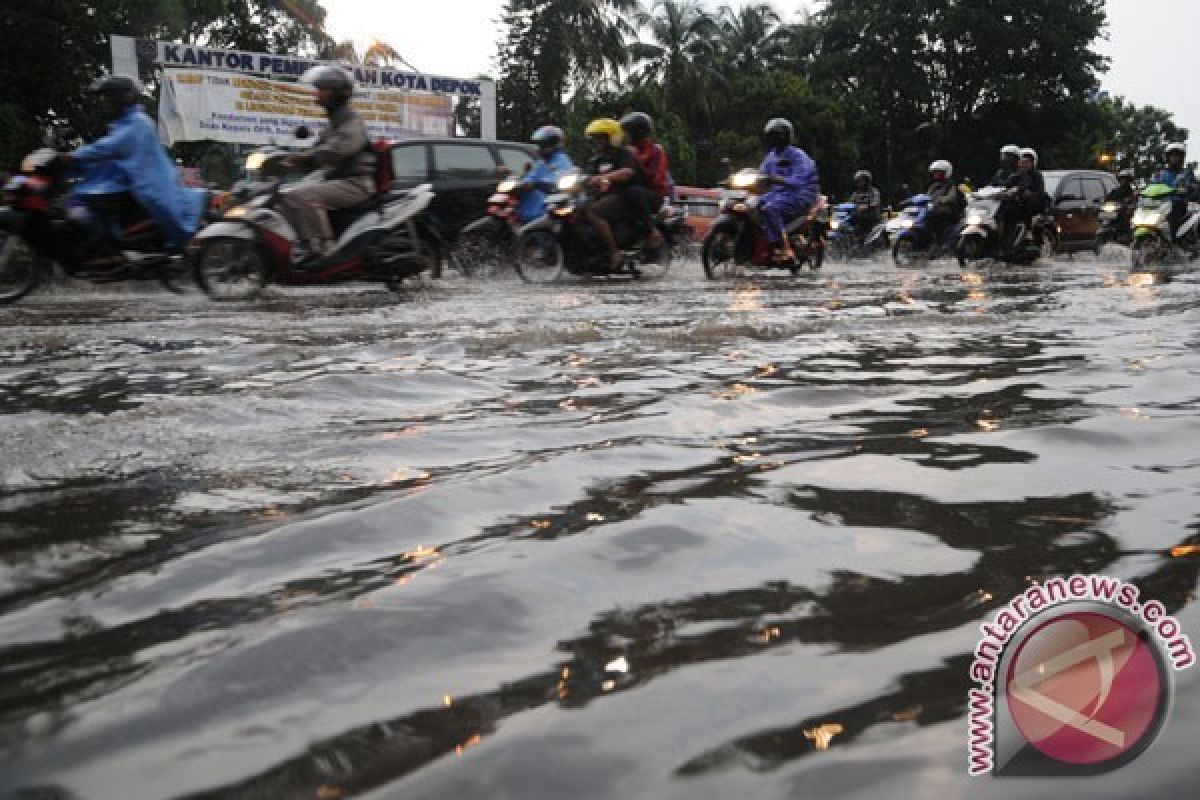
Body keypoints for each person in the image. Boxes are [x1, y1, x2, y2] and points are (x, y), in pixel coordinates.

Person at [66, 75, 205, 255]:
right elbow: (107, 151)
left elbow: (110, 146)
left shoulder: (137, 122)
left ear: (119, 99)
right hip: (131, 180)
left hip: (150, 184)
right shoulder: (123, 123)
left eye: (108, 98)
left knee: (97, 198)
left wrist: (73, 156)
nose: (104, 103)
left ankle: (113, 249)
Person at [280, 66, 376, 261]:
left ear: (337, 93)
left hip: (356, 183)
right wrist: (291, 157)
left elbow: (337, 149)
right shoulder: (333, 122)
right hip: (337, 179)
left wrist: (307, 157)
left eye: (322, 90)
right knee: (286, 195)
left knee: (304, 197)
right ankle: (303, 243)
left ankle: (324, 248)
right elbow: (318, 149)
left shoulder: (352, 121)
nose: (317, 95)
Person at [581, 117, 643, 271]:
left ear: (611, 138)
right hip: (603, 197)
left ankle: (614, 253)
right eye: (594, 139)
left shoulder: (624, 154)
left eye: (599, 138)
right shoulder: (597, 159)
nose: (596, 142)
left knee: (594, 212)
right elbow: (589, 177)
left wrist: (604, 177)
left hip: (622, 197)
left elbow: (627, 172)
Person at [758, 118, 820, 262]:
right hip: (777, 195)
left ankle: (786, 248)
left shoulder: (799, 156)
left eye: (776, 135)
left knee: (771, 209)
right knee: (751, 205)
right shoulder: (772, 155)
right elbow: (761, 173)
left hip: (799, 195)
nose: (774, 139)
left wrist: (778, 179)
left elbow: (800, 180)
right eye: (771, 135)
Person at [620, 111, 669, 249]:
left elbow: (654, 180)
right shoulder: (626, 150)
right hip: (634, 191)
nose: (626, 136)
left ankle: (652, 230)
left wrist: (635, 160)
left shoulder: (656, 151)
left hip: (654, 194)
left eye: (628, 132)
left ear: (637, 133)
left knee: (634, 192)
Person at [516, 125, 574, 224]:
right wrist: (521, 182)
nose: (540, 147)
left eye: (543, 144)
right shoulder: (541, 162)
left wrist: (537, 184)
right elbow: (531, 177)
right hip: (530, 207)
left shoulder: (561, 159)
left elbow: (557, 180)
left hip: (547, 205)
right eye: (540, 144)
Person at [1001, 148, 1047, 245]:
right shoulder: (1015, 174)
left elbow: (1040, 192)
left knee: (1027, 205)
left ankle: (1028, 231)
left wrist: (1028, 193)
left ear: (1032, 163)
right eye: (1022, 162)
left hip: (1034, 204)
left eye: (1027, 162)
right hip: (1017, 202)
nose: (1024, 164)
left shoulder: (1037, 175)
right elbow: (1006, 185)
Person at [1150, 142, 1198, 234]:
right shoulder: (1160, 173)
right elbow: (1151, 185)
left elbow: (1194, 185)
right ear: (1168, 157)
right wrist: (1141, 190)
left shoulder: (1186, 173)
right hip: (1160, 203)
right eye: (1172, 155)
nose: (1174, 158)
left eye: (1177, 156)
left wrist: (1188, 188)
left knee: (1174, 207)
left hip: (1178, 203)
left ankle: (1173, 236)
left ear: (1181, 158)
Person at [926, 159, 965, 246]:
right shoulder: (933, 186)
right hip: (933, 210)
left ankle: (938, 242)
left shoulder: (951, 185)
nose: (935, 174)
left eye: (938, 172)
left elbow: (952, 197)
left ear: (946, 172)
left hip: (947, 211)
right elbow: (926, 196)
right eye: (934, 172)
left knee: (935, 219)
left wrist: (941, 199)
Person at [848, 169, 882, 239]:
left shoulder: (874, 191)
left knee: (856, 217)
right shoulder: (855, 193)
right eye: (858, 181)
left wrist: (867, 206)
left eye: (862, 180)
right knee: (847, 219)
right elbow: (849, 203)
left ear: (867, 181)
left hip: (872, 214)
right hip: (858, 213)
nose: (860, 182)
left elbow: (875, 203)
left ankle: (861, 238)